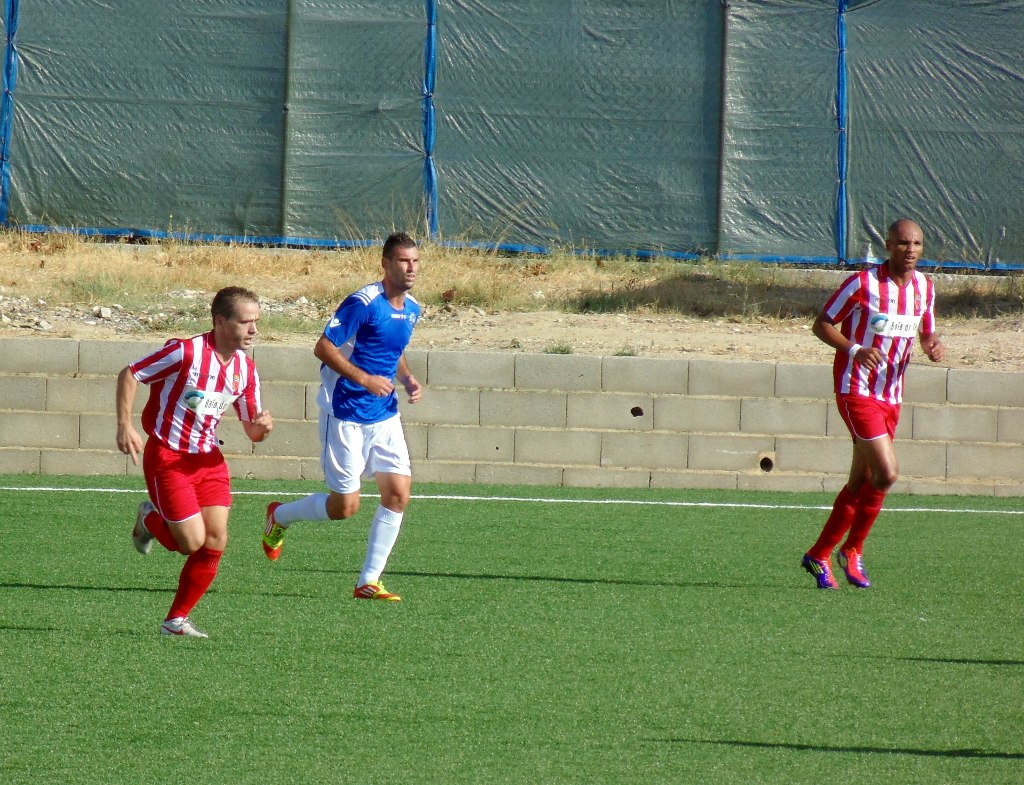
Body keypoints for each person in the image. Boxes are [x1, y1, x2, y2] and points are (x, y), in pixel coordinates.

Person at [262, 232, 423, 601]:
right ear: (386, 264)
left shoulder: (412, 308)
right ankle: (280, 516)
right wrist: (364, 379)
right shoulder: (363, 303)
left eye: (415, 261)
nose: (411, 267)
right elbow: (323, 347)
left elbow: (392, 347)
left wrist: (407, 378)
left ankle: (368, 581)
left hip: (384, 415)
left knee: (398, 494)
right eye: (403, 260)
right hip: (345, 412)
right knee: (344, 507)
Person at [116, 286, 274, 637]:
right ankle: (149, 518)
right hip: (168, 457)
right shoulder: (185, 353)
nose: (254, 330)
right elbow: (131, 373)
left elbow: (251, 429)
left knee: (215, 539)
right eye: (245, 322)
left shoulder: (246, 369)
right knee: (189, 543)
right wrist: (125, 425)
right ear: (220, 322)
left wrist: (262, 428)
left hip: (209, 460)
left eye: (256, 321)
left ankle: (175, 621)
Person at [802, 219, 944, 589]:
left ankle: (819, 554)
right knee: (887, 472)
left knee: (862, 480)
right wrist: (855, 349)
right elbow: (822, 324)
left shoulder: (924, 288)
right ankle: (853, 549)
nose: (910, 250)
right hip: (856, 389)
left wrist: (932, 344)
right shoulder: (862, 284)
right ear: (888, 245)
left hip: (891, 395)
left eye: (916, 243)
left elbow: (927, 331)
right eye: (903, 243)